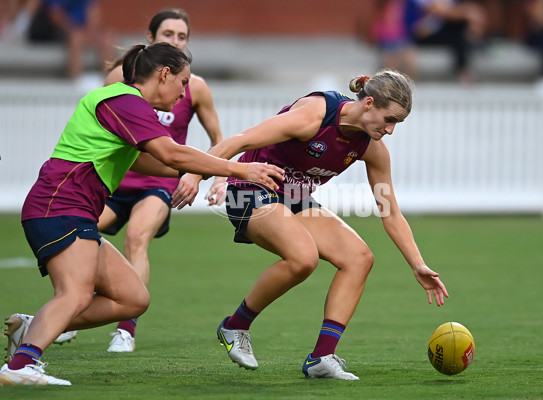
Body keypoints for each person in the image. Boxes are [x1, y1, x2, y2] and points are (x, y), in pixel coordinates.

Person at [0, 41, 284, 386]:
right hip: (60, 205)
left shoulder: (127, 104)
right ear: (164, 74)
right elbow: (171, 153)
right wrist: (239, 170)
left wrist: (195, 174)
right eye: (182, 83)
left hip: (72, 209)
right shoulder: (125, 100)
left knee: (132, 298)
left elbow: (152, 161)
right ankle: (20, 367)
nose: (183, 95)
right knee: (75, 294)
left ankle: (36, 328)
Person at [192, 69, 449, 380]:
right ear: (368, 103)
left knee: (359, 257)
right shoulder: (315, 115)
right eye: (389, 119)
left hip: (294, 198)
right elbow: (241, 140)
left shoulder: (372, 147)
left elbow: (390, 211)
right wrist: (196, 174)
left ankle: (322, 357)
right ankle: (235, 326)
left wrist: (417, 264)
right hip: (248, 190)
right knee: (303, 257)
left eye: (397, 123)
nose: (391, 130)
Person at [97, 8, 225, 353]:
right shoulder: (117, 81)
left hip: (159, 184)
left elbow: (219, 141)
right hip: (114, 180)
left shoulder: (194, 87)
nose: (176, 41)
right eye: (168, 35)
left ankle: (126, 329)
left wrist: (205, 176)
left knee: (137, 237)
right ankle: (75, 307)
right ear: (151, 38)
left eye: (182, 37)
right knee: (80, 237)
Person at [405, 0, 486, 83]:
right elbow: (439, 11)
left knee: (460, 29)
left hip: (438, 30)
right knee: (459, 29)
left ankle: (473, 44)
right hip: (419, 33)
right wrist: (465, 12)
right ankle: (464, 69)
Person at [364, 0, 418, 79]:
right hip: (387, 41)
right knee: (391, 59)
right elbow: (375, 30)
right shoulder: (382, 8)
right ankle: (389, 82)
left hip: (401, 39)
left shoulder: (406, 6)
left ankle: (410, 83)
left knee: (409, 58)